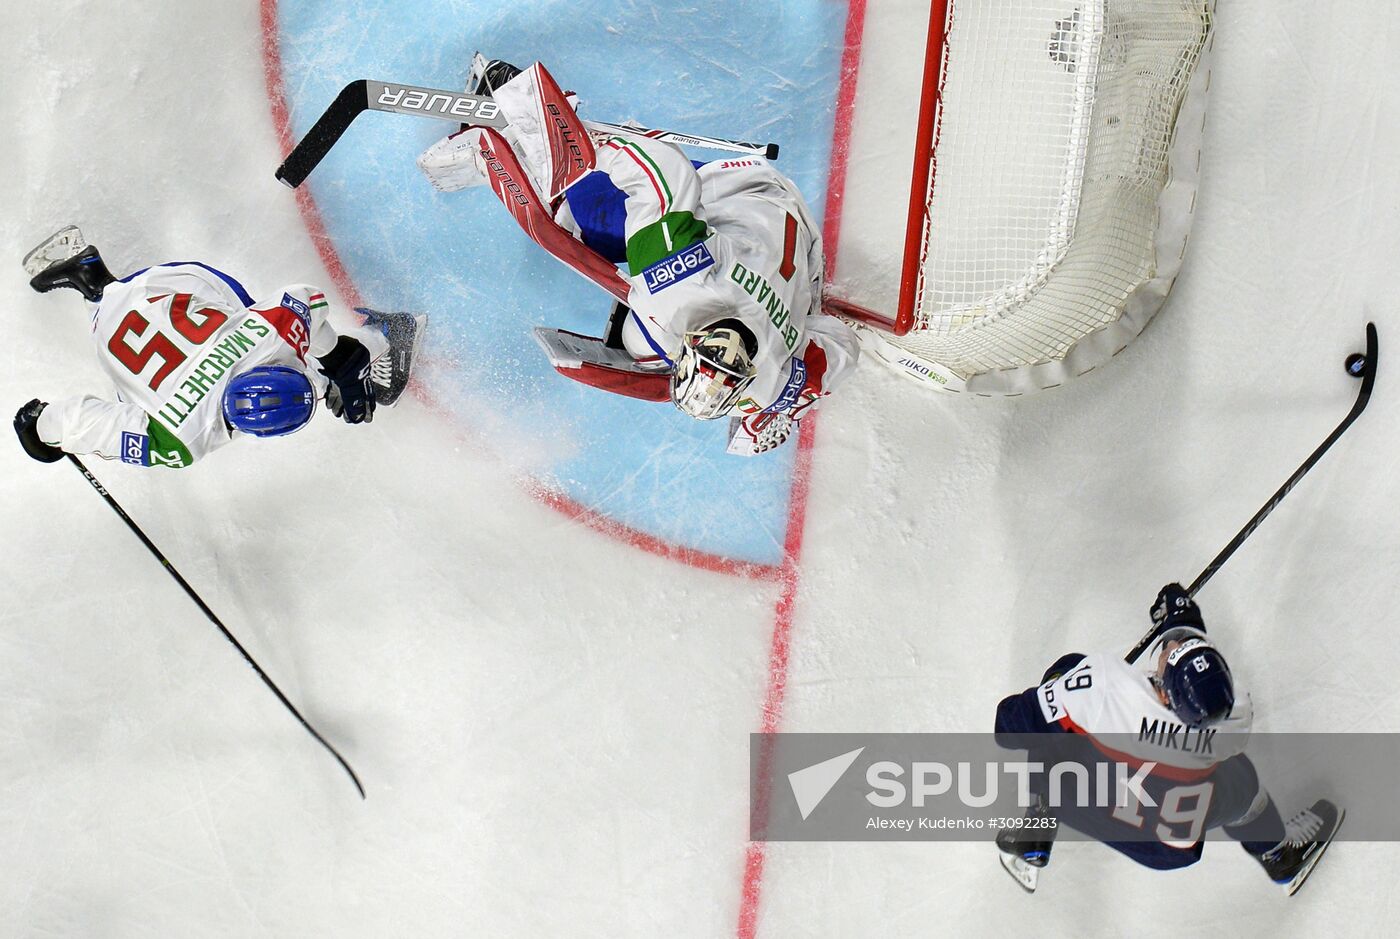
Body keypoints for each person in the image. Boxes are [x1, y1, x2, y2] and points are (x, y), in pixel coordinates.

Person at [416, 57, 860, 455]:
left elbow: (843, 341)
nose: (725, 345)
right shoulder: (679, 285)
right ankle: (526, 127)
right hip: (740, 187)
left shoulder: (773, 383)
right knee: (581, 221)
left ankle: (544, 147)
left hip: (803, 241)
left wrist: (786, 403)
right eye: (731, 358)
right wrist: (577, 144)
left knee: (655, 316)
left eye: (711, 354)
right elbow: (662, 169)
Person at [992, 583, 1343, 895]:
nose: (1171, 646)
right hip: (1165, 847)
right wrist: (1182, 622)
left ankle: (1037, 824)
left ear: (1163, 694)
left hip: (1081, 799)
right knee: (1242, 780)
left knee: (1058, 691)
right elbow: (1191, 665)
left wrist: (1058, 691)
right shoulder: (1235, 716)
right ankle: (1278, 855)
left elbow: (1008, 727)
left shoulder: (1104, 688)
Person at [14, 226, 424, 469]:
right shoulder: (179, 438)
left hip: (167, 285)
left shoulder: (266, 338)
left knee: (311, 363)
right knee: (130, 394)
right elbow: (90, 424)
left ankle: (97, 282)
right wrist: (42, 428)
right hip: (145, 306)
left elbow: (306, 299)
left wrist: (336, 358)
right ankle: (388, 337)